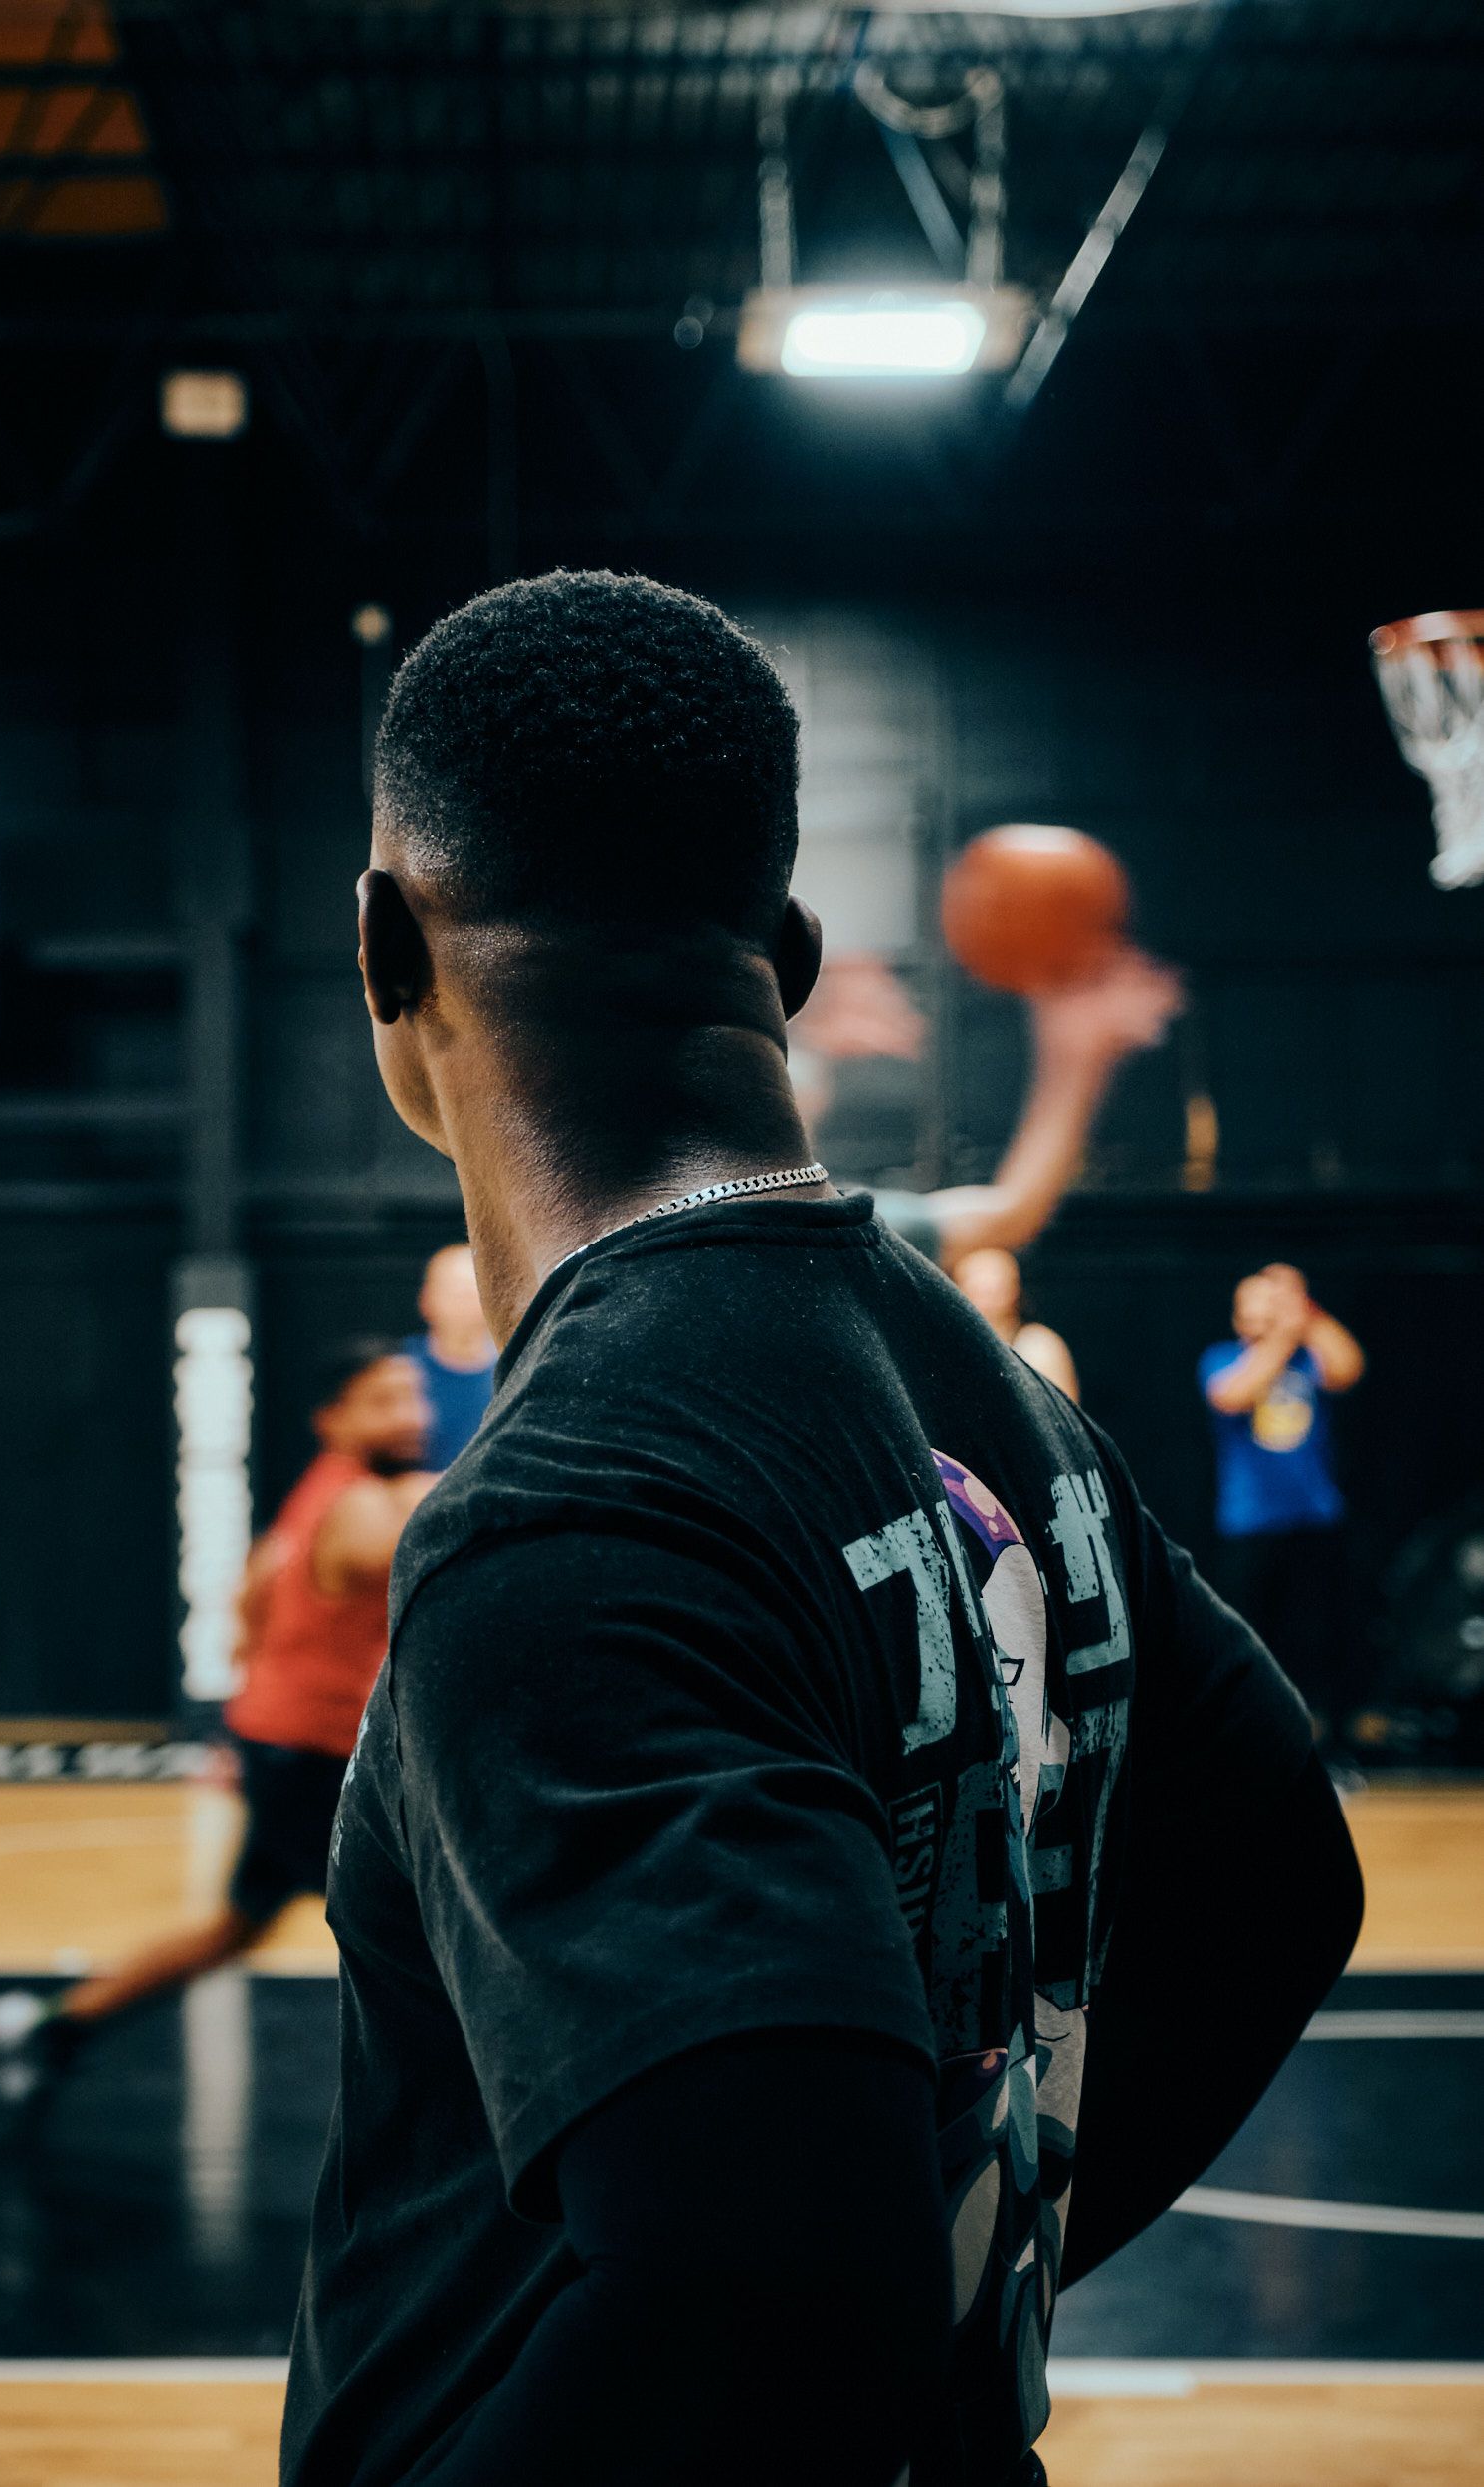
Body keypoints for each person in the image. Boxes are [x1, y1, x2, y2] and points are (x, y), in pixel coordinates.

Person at [284, 573, 1362, 2487]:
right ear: (779, 953)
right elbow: (1283, 1873)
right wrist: (975, 2266)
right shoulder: (982, 1382)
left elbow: (769, 2283)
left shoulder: (565, 1514)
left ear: (385, 945)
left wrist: (884, 2289)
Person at [0, 1342, 435, 2110]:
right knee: (426, 1929)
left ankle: (56, 2024)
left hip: (286, 1746)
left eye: (413, 1395)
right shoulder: (363, 1508)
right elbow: (444, 1536)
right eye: (383, 1400)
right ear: (333, 1419)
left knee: (246, 1924)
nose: (411, 1414)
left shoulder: (324, 1492)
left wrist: (245, 1717)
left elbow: (252, 1598)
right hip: (312, 1760)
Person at [870, 945, 1182, 1272]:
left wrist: (1079, 1055)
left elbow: (1006, 1215)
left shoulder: (831, 1222)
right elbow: (1007, 1217)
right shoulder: (828, 1224)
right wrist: (1076, 1058)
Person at [1199, 1263, 1367, 1754]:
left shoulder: (1306, 1359)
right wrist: (1281, 1336)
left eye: (1273, 1305)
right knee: (1252, 1639)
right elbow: (1232, 1396)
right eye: (1256, 1306)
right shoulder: (1221, 1358)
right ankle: (1253, 1742)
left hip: (1314, 1517)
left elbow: (1347, 1367)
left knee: (1320, 1639)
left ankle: (1331, 1747)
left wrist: (1305, 1313)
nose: (1266, 1315)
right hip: (1250, 1523)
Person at [405, 1242, 497, 1468]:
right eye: (456, 1291)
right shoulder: (399, 1373)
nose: (466, 1301)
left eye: (475, 1289)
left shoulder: (519, 1369)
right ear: (426, 1299)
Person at [953, 1245, 1079, 1401]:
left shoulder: (1038, 1344)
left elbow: (1062, 1414)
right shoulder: (949, 1345)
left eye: (991, 1290)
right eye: (976, 1289)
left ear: (1014, 1291)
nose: (985, 1301)